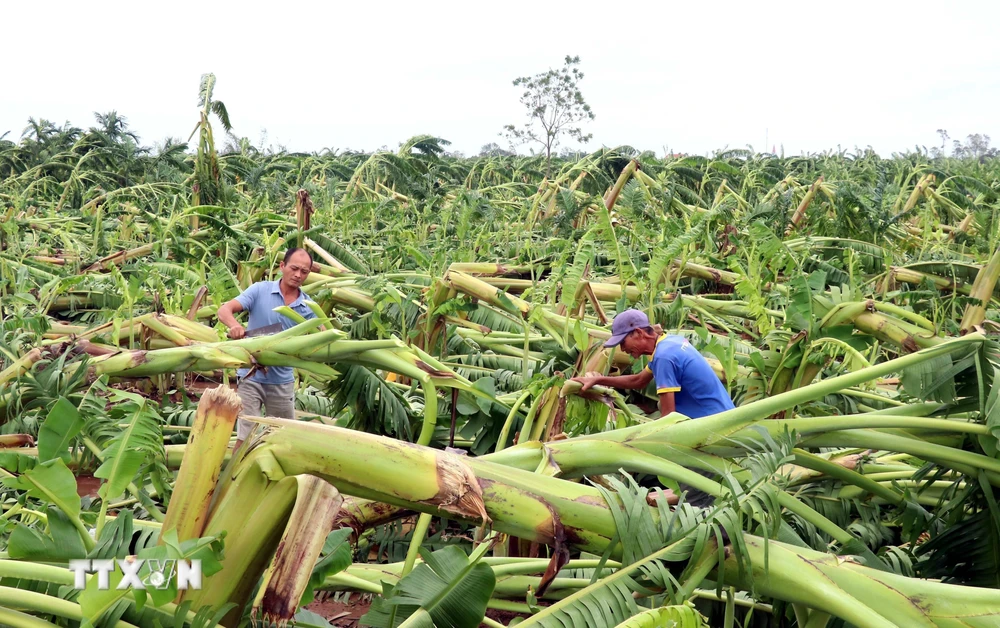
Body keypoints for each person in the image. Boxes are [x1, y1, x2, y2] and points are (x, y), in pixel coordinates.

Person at [571, 308, 735, 506]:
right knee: (698, 490)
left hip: (708, 430)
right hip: (721, 417)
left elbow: (668, 420)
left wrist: (631, 447)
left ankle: (713, 533)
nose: (622, 350)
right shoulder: (668, 342)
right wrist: (600, 379)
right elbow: (639, 380)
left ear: (639, 333)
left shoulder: (664, 357)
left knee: (696, 502)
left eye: (623, 342)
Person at [216, 248, 317, 450]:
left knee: (282, 437)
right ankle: (234, 479)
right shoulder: (259, 290)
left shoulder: (309, 307)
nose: (298, 275)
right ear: (282, 266)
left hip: (282, 381)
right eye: (294, 268)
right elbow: (224, 310)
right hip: (250, 377)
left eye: (304, 272)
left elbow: (321, 336)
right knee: (246, 435)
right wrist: (235, 326)